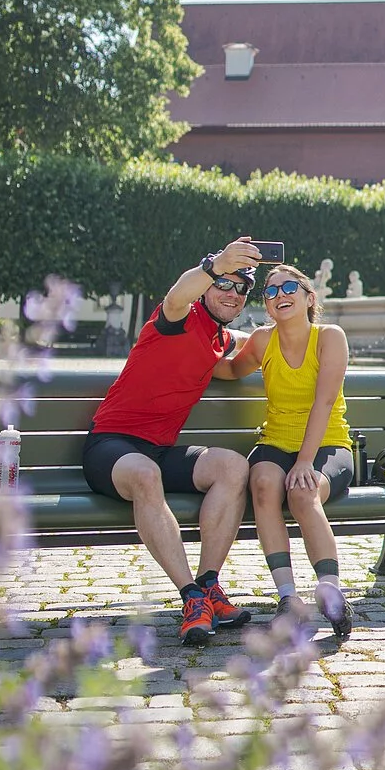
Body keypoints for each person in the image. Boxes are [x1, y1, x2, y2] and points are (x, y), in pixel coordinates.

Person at [81, 237, 261, 646]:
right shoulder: (178, 317)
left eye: (241, 288)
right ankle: (191, 597)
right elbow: (179, 294)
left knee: (233, 466)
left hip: (158, 452)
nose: (231, 294)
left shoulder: (220, 341)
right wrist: (214, 264)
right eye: (223, 284)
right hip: (111, 447)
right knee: (145, 473)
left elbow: (243, 362)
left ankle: (209, 585)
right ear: (209, 285)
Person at [232, 264, 353, 640]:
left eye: (288, 287)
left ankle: (330, 590)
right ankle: (287, 597)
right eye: (270, 291)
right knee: (264, 484)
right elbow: (230, 370)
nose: (279, 295)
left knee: (303, 492)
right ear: (267, 305)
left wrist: (304, 461)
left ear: (308, 297)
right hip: (275, 442)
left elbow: (325, 401)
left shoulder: (330, 337)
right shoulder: (262, 341)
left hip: (328, 445)